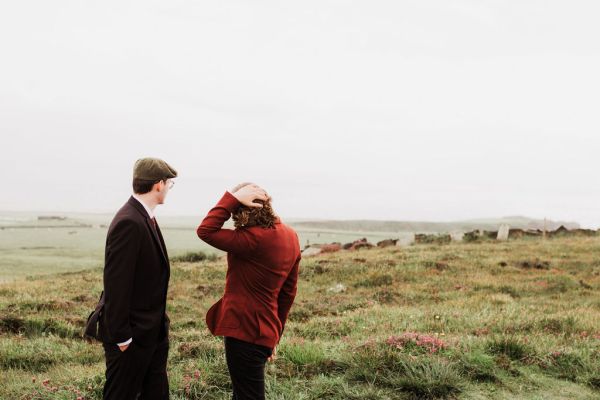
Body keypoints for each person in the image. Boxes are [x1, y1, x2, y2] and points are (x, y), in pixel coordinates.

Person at [197, 183, 301, 400]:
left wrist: (231, 198)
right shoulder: (291, 236)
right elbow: (287, 294)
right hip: (265, 331)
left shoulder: (252, 239)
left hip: (244, 332)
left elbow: (205, 230)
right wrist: (275, 335)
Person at [99, 157, 177, 400]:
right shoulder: (129, 222)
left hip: (152, 333)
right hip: (131, 337)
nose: (168, 189)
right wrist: (122, 336)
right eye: (169, 184)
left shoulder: (144, 217)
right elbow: (116, 283)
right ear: (158, 184)